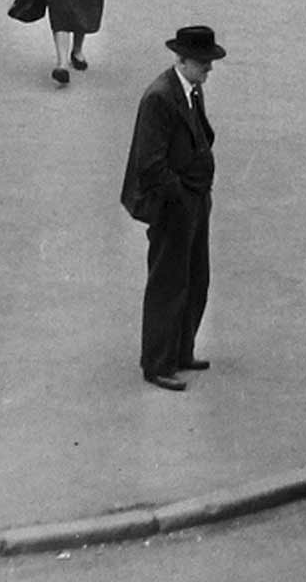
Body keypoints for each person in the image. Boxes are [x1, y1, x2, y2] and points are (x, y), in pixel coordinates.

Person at [121, 24, 225, 390]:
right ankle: (157, 362)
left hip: (195, 198)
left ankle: (182, 349)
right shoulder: (160, 98)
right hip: (174, 205)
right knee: (168, 282)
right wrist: (180, 195)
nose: (209, 69)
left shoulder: (190, 90)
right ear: (181, 60)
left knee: (195, 277)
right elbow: (150, 164)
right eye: (203, 63)